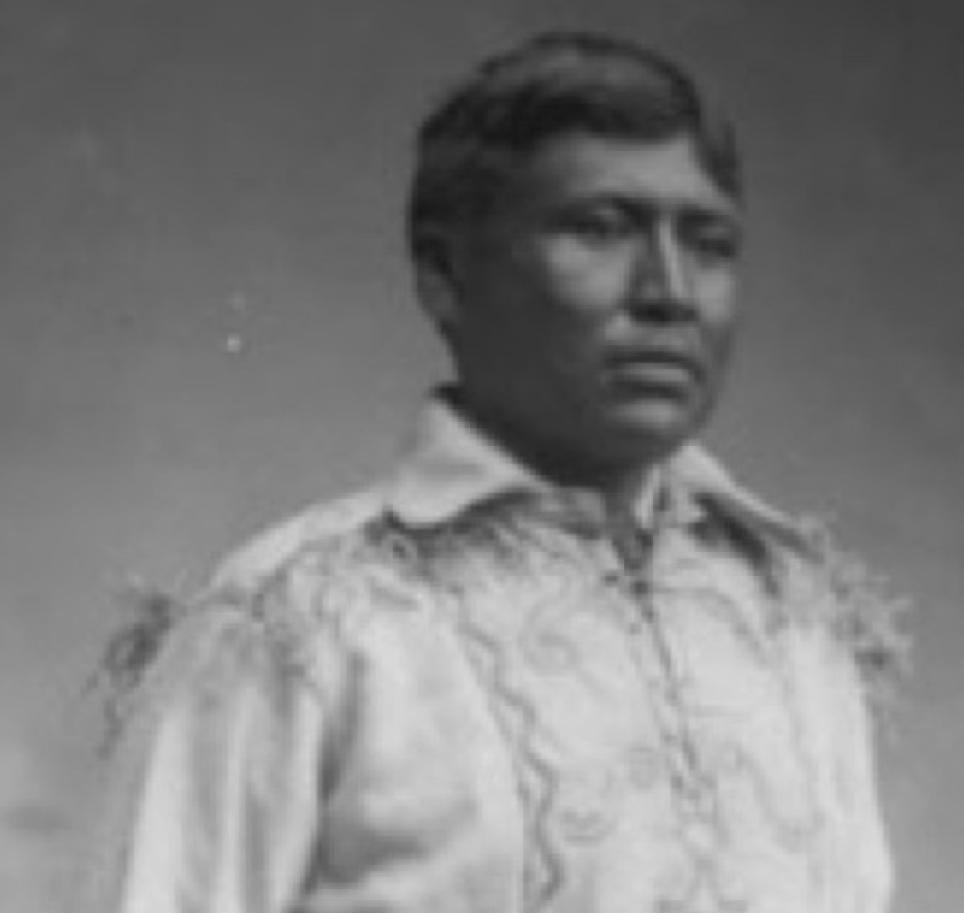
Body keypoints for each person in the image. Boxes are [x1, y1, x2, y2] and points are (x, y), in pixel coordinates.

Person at [82, 31, 902, 913]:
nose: (669, 290)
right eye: (599, 227)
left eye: (708, 241)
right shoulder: (301, 622)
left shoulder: (793, 613)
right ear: (443, 273)